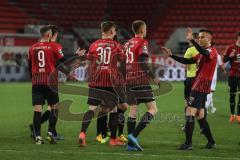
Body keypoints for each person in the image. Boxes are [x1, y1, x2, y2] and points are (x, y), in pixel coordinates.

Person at [162, 28, 217, 150]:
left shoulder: (211, 51)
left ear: (209, 39)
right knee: (200, 115)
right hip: (200, 86)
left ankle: (188, 144)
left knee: (189, 112)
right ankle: (211, 142)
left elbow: (207, 54)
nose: (199, 39)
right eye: (199, 37)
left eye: (202, 37)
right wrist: (172, 55)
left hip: (199, 86)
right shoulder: (201, 53)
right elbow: (188, 60)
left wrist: (192, 40)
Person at [77, 21, 126, 147]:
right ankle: (113, 140)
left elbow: (87, 65)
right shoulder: (117, 46)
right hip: (111, 82)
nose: (115, 33)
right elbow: (122, 64)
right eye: (114, 30)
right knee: (114, 110)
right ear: (111, 31)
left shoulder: (93, 45)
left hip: (95, 82)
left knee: (91, 109)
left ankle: (82, 133)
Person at [125, 20, 159, 151]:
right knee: (153, 109)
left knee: (133, 110)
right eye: (145, 27)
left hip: (128, 80)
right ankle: (133, 135)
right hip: (140, 79)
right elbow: (142, 62)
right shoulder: (142, 42)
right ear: (141, 29)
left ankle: (130, 145)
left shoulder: (127, 43)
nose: (146, 30)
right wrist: (153, 76)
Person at [223, 32, 240, 123]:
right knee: (232, 95)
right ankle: (232, 115)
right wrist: (230, 56)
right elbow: (224, 59)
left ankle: (239, 115)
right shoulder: (231, 48)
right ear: (237, 37)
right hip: (233, 75)